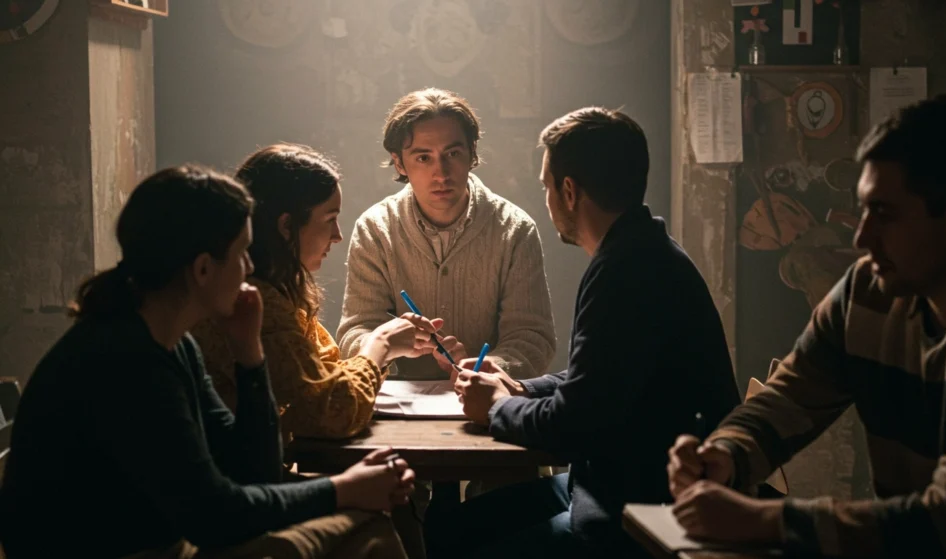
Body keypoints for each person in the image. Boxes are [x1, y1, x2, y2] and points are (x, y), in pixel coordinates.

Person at [667, 95, 946, 558]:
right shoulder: (868, 290)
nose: (861, 236)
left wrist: (764, 521)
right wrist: (725, 455)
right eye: (864, 210)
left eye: (885, 214)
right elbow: (790, 397)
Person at [0, 165, 415, 559]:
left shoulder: (174, 344)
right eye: (242, 253)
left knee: (369, 522)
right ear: (202, 269)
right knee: (367, 530)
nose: (250, 268)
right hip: (135, 552)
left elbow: (254, 471)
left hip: (169, 539)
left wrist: (249, 355)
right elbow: (216, 516)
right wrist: (342, 489)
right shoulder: (126, 361)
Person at [429, 107, 742, 558]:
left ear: (569, 191)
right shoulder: (640, 251)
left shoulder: (627, 273)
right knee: (452, 530)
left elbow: (573, 427)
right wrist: (523, 388)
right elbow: (596, 378)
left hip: (639, 514)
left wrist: (498, 406)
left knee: (452, 542)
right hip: (607, 484)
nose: (547, 199)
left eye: (546, 186)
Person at [191, 144, 443, 443]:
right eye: (329, 219)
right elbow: (331, 410)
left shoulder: (280, 294)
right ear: (287, 225)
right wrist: (380, 344)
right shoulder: (253, 302)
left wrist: (385, 349)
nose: (338, 235)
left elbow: (321, 379)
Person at [336, 87, 556, 381]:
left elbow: (532, 339)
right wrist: (388, 344)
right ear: (399, 163)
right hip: (396, 399)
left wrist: (487, 367)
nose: (441, 174)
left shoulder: (515, 230)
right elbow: (354, 332)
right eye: (423, 158)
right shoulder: (375, 229)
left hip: (487, 398)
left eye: (452, 154)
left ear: (471, 153)